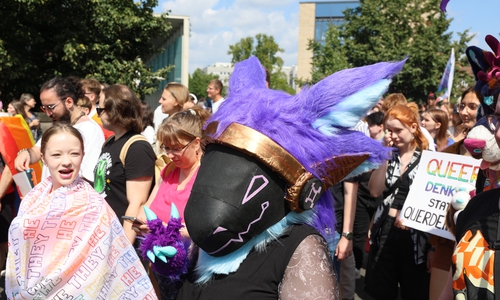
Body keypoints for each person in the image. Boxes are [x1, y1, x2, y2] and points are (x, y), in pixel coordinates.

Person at [5, 123, 157, 298]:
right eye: (56, 155)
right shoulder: (33, 198)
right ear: (43, 158)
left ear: (83, 155)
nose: (67, 161)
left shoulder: (94, 206)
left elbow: (101, 269)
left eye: (74, 154)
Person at [135, 107, 209, 299]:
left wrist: (168, 230)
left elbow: (205, 230)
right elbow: (148, 208)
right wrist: (141, 223)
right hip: (160, 264)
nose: (170, 154)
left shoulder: (206, 176)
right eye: (166, 148)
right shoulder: (168, 170)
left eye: (176, 148)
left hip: (191, 269)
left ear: (196, 143)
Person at [365, 104, 431, 300]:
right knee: (383, 290)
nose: (392, 135)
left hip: (415, 236)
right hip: (384, 230)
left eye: (398, 130)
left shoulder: (428, 159)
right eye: (389, 130)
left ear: (413, 127)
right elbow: (375, 191)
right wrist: (383, 156)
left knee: (414, 291)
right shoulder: (389, 156)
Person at [93, 84, 156, 243]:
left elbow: (137, 203)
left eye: (100, 109)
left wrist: (124, 247)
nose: (98, 114)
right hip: (105, 234)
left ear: (115, 110)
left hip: (124, 241)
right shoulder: (110, 142)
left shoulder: (137, 147)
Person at [14, 76, 104, 183]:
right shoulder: (59, 126)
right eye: (44, 108)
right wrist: (25, 154)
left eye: (51, 107)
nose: (47, 113)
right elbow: (37, 150)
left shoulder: (89, 130)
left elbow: (87, 178)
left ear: (69, 102)